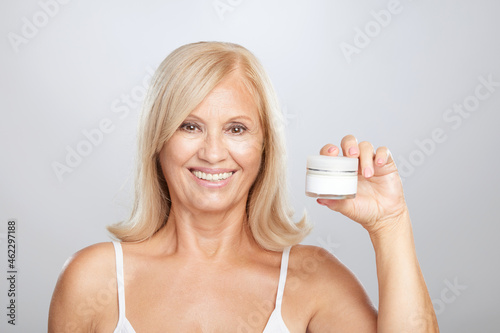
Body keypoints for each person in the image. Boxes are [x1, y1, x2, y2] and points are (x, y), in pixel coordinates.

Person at [48, 41, 439, 332]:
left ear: (264, 146)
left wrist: (390, 224)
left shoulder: (312, 278)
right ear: (158, 140)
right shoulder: (93, 279)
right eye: (190, 126)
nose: (214, 152)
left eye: (236, 129)